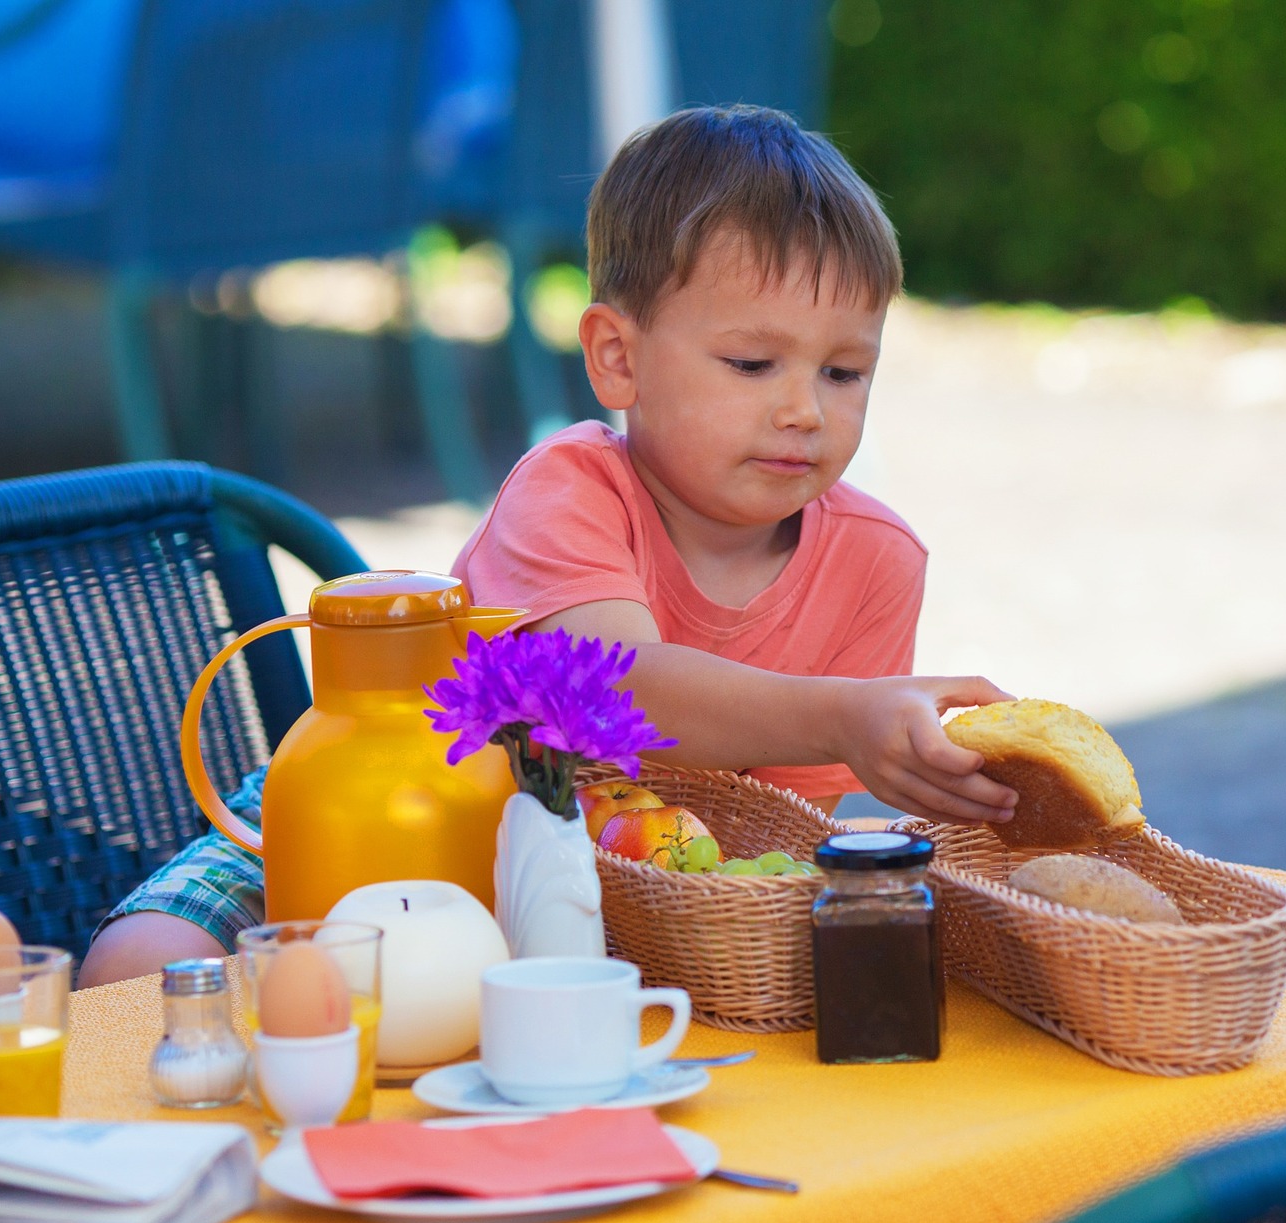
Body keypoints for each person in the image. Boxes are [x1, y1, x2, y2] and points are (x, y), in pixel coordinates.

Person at [78, 105, 1017, 986]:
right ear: (617, 358)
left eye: (845, 372)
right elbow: (608, 692)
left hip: (617, 888)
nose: (805, 410)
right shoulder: (570, 487)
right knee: (144, 966)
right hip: (393, 805)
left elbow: (767, 832)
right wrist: (843, 715)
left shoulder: (876, 561)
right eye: (751, 363)